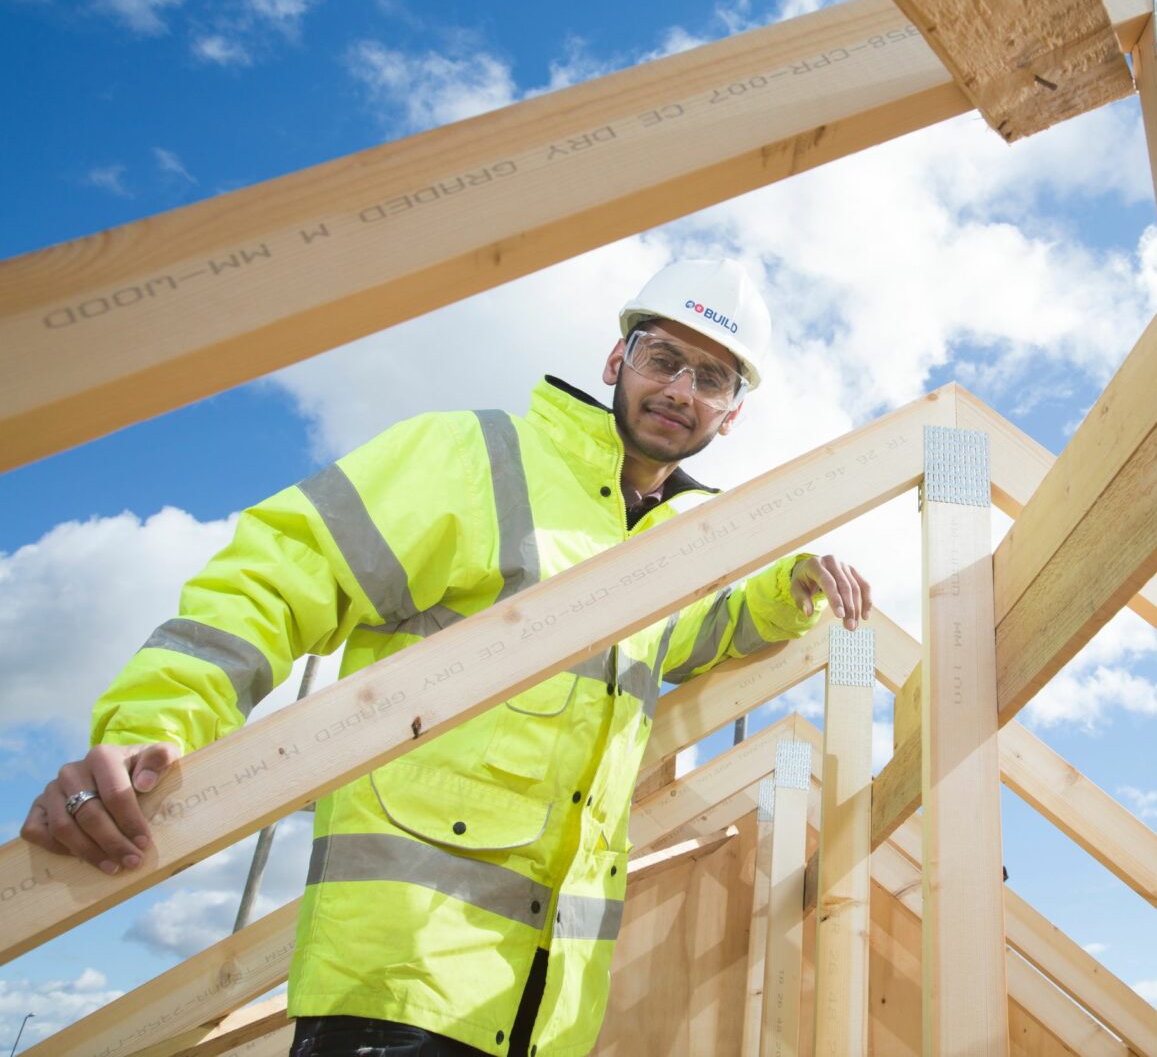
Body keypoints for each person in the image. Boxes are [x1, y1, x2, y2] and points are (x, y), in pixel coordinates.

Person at [21, 259, 873, 1057]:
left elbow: (692, 637)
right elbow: (280, 576)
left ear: (734, 411)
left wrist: (784, 588)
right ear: (618, 357)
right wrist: (153, 727)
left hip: (548, 1008)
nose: (680, 390)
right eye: (664, 358)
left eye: (712, 378)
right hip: (394, 978)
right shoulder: (476, 458)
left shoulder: (682, 546)